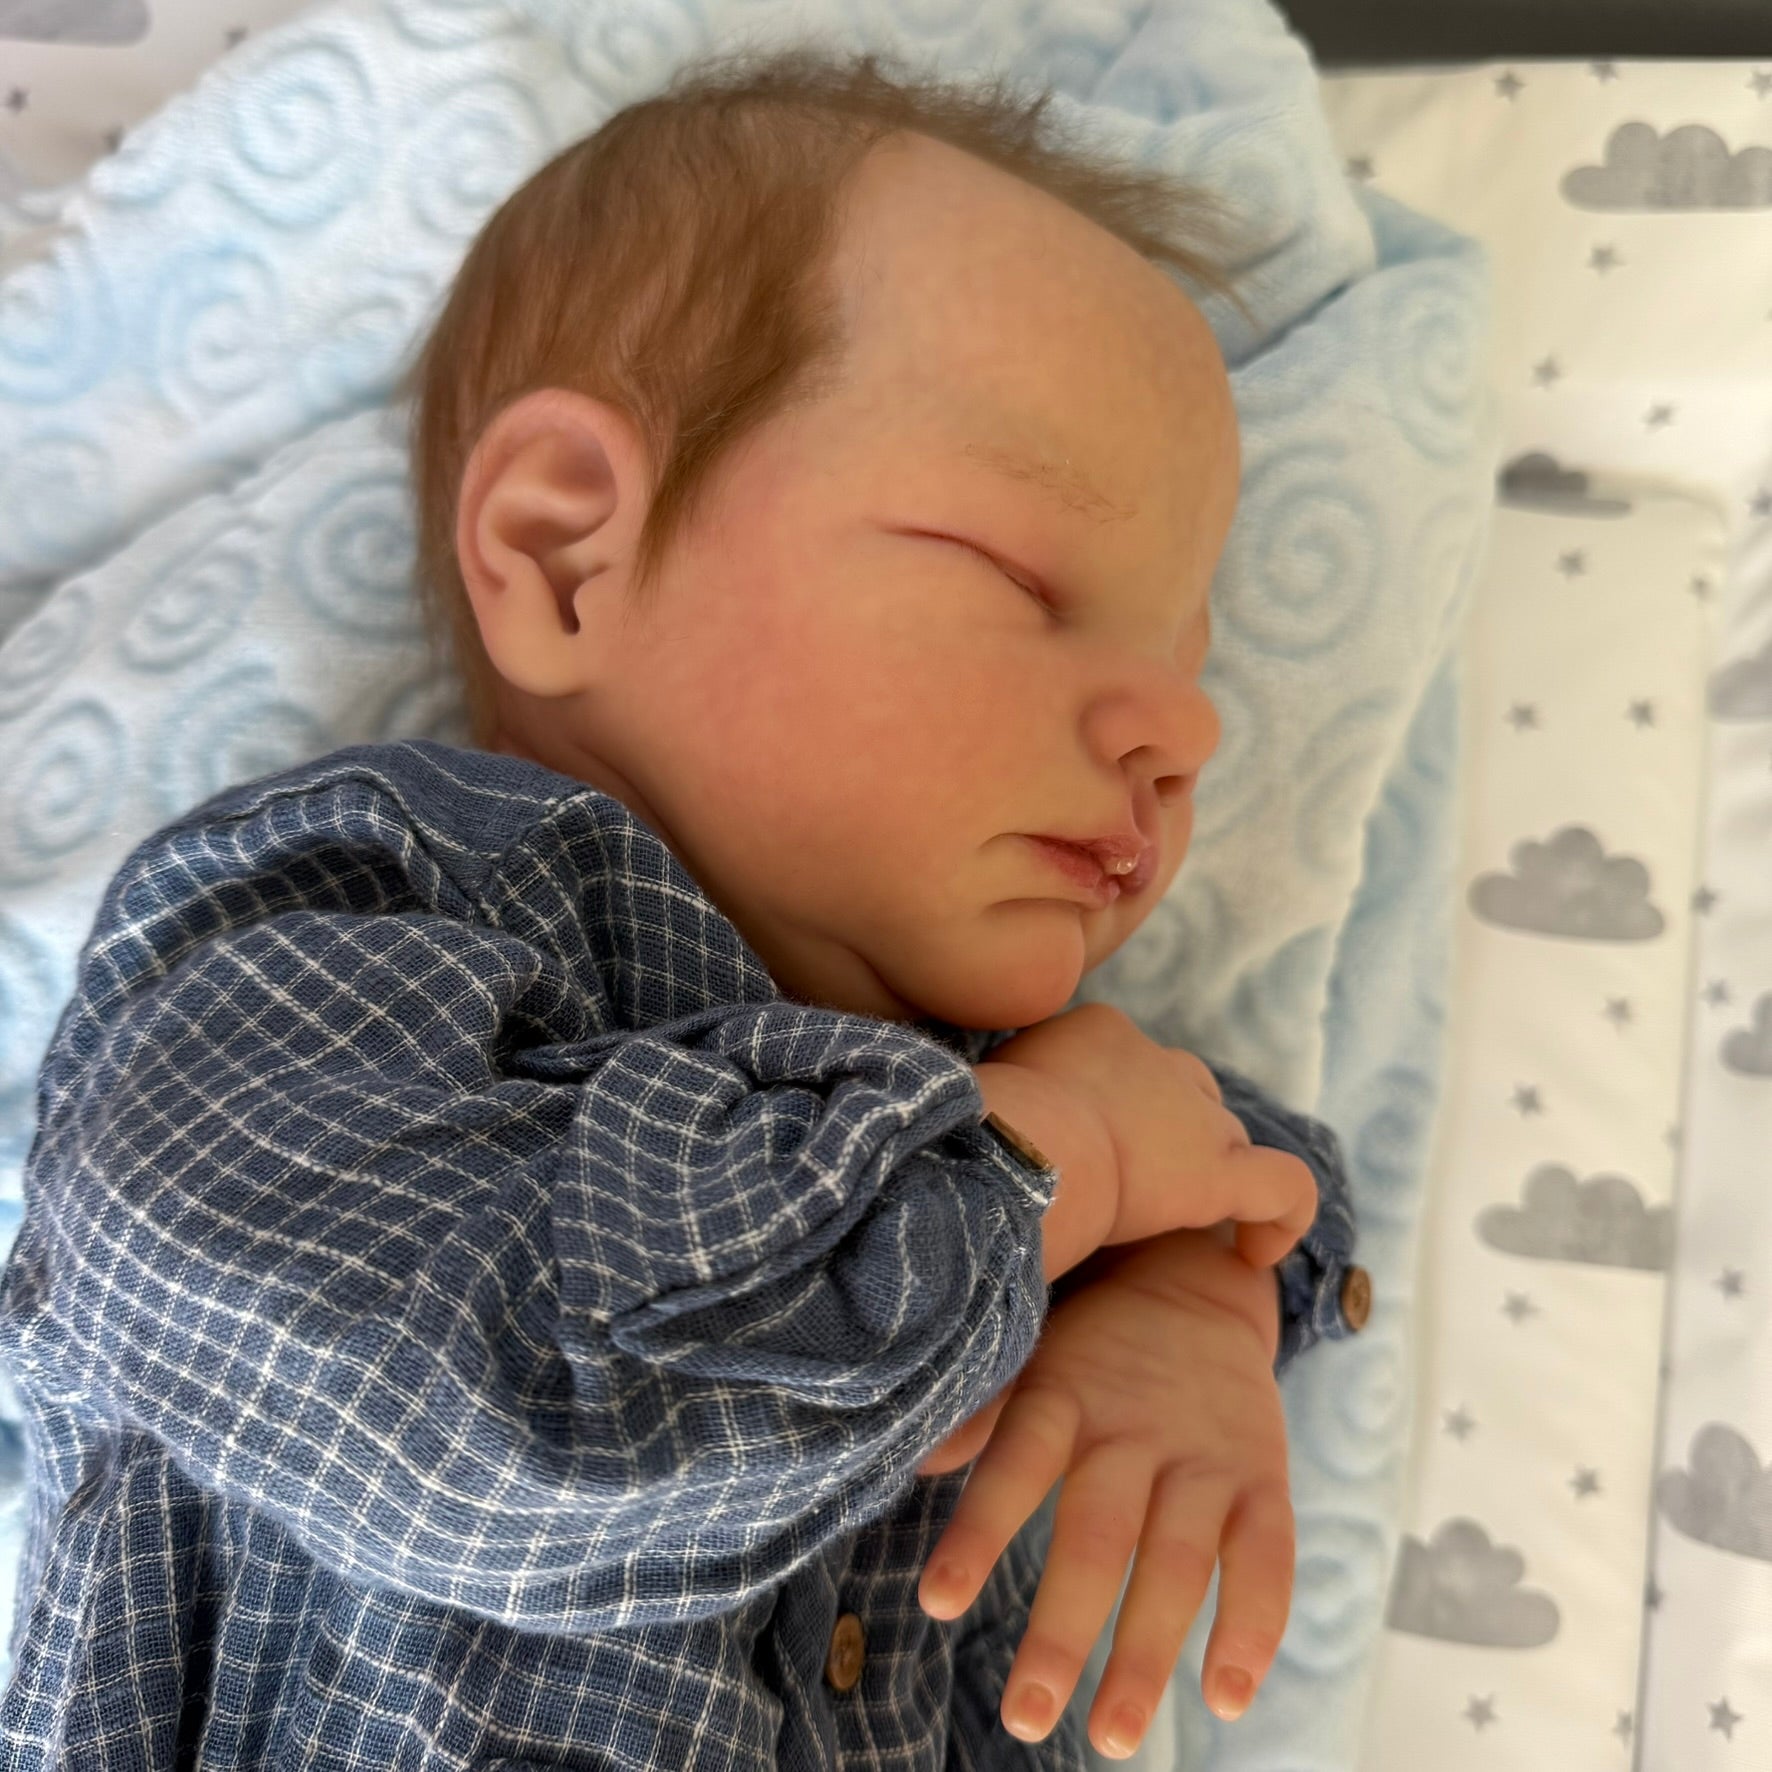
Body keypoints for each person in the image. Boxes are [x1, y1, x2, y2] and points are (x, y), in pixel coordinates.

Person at [0, 41, 1365, 1771]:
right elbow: (476, 1418)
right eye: (1025, 580)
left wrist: (1189, 1297)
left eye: (1191, 656)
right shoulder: (364, 926)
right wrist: (1026, 1188)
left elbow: (1265, 1181)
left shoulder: (1026, 1069)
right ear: (570, 553)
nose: (1186, 731)